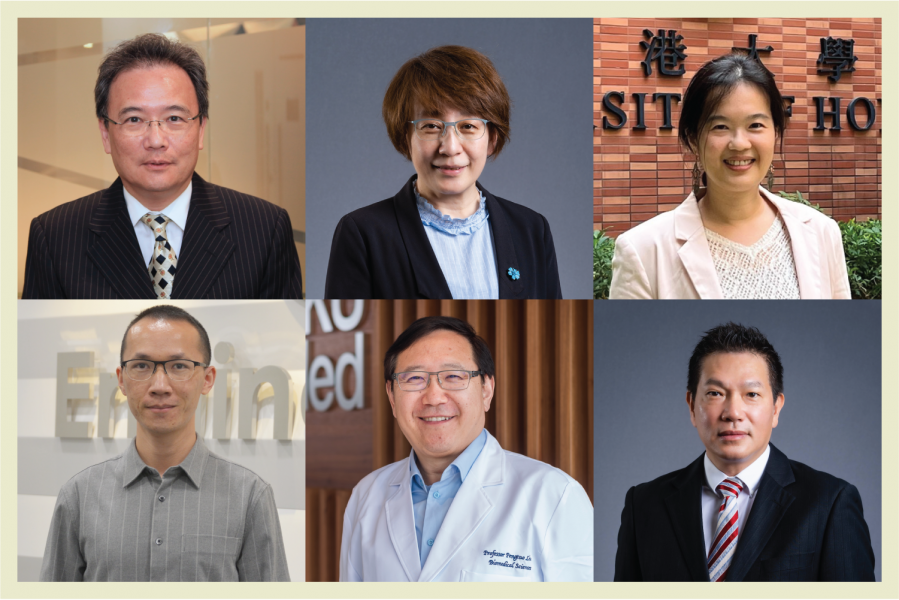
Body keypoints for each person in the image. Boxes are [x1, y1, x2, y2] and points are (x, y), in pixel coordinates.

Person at [23, 33, 303, 299]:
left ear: (201, 129)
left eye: (174, 118)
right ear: (106, 133)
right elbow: (42, 347)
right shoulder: (54, 236)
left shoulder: (264, 229)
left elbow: (283, 344)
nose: (156, 140)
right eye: (134, 119)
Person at [40, 305, 290, 581]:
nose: (160, 385)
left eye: (179, 366)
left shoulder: (249, 498)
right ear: (121, 380)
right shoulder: (78, 496)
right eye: (142, 366)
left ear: (207, 379)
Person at [614, 322, 874, 581]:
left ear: (775, 408)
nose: (733, 413)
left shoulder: (829, 503)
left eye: (751, 393)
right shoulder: (645, 505)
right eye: (715, 393)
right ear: (692, 405)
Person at [339, 316, 592, 581]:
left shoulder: (554, 496)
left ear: (486, 390)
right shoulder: (366, 496)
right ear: (392, 396)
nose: (434, 397)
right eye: (414, 378)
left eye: (453, 376)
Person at [324, 45, 561, 299]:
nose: (450, 147)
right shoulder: (363, 234)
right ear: (406, 138)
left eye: (468, 126)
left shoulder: (531, 229)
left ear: (492, 138)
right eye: (431, 126)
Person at [610, 53, 850, 299]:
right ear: (693, 139)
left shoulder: (822, 232)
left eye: (755, 125)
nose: (739, 143)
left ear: (775, 133)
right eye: (720, 127)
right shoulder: (642, 250)